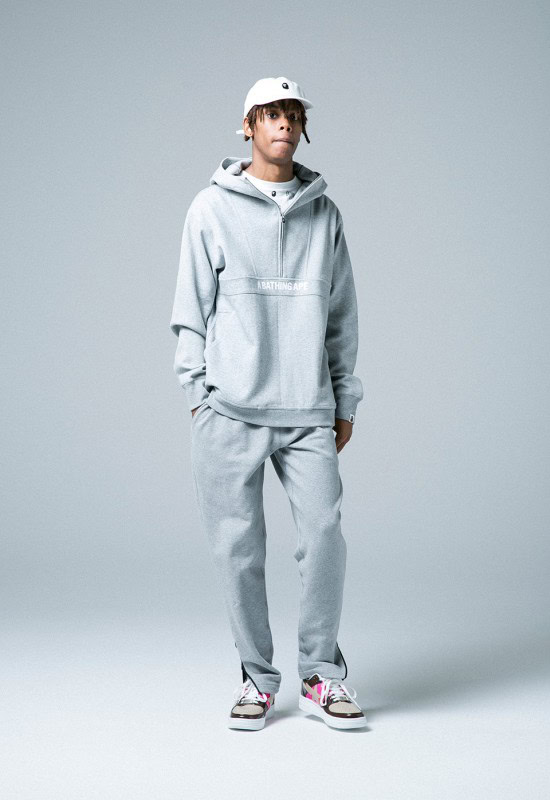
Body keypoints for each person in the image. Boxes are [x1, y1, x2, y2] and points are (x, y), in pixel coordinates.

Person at [170, 76, 367, 730]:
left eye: (293, 115)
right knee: (239, 553)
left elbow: (341, 316)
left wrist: (343, 400)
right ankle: (257, 678)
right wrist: (198, 396)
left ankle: (320, 675)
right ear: (249, 125)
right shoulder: (210, 209)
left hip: (308, 411)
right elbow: (190, 309)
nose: (283, 123)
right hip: (229, 412)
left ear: (303, 129)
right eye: (271, 113)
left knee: (324, 538)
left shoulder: (325, 215)